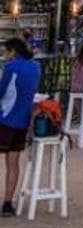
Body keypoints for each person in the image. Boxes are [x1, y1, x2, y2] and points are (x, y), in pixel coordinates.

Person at [0, 36, 41, 216]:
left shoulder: (11, 67)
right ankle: (8, 202)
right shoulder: (35, 67)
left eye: (5, 51)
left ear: (12, 51)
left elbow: (3, 91)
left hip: (5, 118)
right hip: (22, 120)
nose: (3, 55)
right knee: (13, 162)